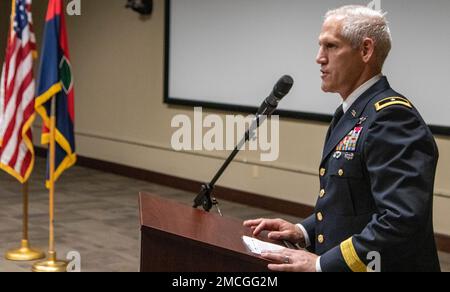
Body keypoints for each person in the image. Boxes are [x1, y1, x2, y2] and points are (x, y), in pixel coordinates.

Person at [244, 5, 441, 272]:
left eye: (331, 46)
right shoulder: (350, 113)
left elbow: (400, 220)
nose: (319, 58)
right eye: (319, 46)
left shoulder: (391, 117)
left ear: (365, 50)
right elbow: (352, 205)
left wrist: (323, 264)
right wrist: (303, 231)